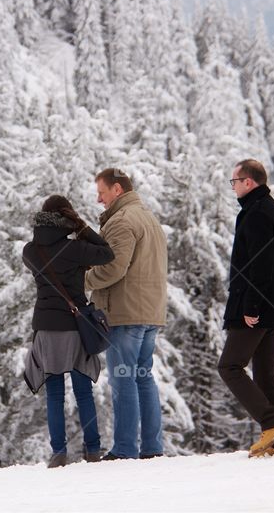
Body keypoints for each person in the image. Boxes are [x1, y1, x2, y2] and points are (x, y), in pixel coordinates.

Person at [23, 195, 115, 468]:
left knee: (54, 394)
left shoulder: (30, 251)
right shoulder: (75, 249)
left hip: (46, 328)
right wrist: (82, 227)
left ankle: (58, 453)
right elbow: (107, 252)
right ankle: (92, 450)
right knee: (83, 391)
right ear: (67, 217)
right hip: (75, 328)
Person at [85, 168, 168, 461]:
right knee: (143, 377)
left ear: (117, 190)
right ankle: (152, 447)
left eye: (102, 193)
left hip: (125, 311)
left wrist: (81, 281)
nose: (99, 199)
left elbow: (113, 268)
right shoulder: (148, 218)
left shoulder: (122, 221)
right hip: (150, 311)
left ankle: (124, 449)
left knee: (123, 379)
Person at [218, 159, 274, 458]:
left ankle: (272, 423)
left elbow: (260, 264)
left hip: (255, 306)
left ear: (248, 182)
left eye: (234, 181)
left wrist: (251, 306)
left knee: (229, 366)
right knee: (265, 371)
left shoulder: (258, 213)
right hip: (268, 305)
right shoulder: (264, 209)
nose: (233, 186)